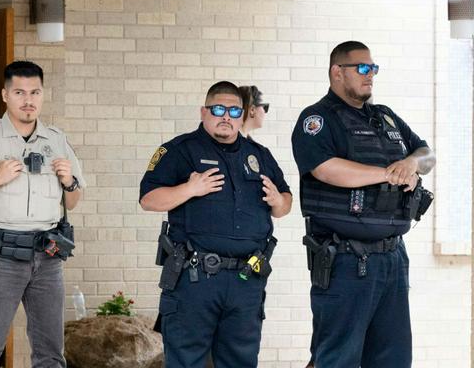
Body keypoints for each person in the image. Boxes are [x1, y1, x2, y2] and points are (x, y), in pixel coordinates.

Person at [291, 41, 436, 368]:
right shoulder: (317, 119)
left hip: (392, 258)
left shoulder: (385, 117)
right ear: (337, 72)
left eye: (374, 69)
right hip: (346, 260)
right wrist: (389, 173)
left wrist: (411, 163)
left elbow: (428, 154)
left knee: (393, 358)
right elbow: (326, 169)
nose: (370, 75)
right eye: (363, 68)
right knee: (338, 358)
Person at [139, 81, 292, 368]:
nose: (226, 117)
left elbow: (285, 203)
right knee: (186, 362)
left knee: (241, 362)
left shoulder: (259, 156)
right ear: (204, 112)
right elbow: (148, 199)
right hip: (195, 280)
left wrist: (277, 201)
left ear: (242, 114)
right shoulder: (179, 151)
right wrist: (189, 189)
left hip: (247, 280)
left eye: (234, 111)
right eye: (218, 109)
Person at [0, 60, 85, 368]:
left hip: (48, 258)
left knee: (51, 355)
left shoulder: (57, 140)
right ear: (5, 95)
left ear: (43, 94)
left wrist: (69, 181)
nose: (28, 100)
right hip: (1, 258)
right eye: (19, 92)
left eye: (35, 92)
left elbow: (73, 201)